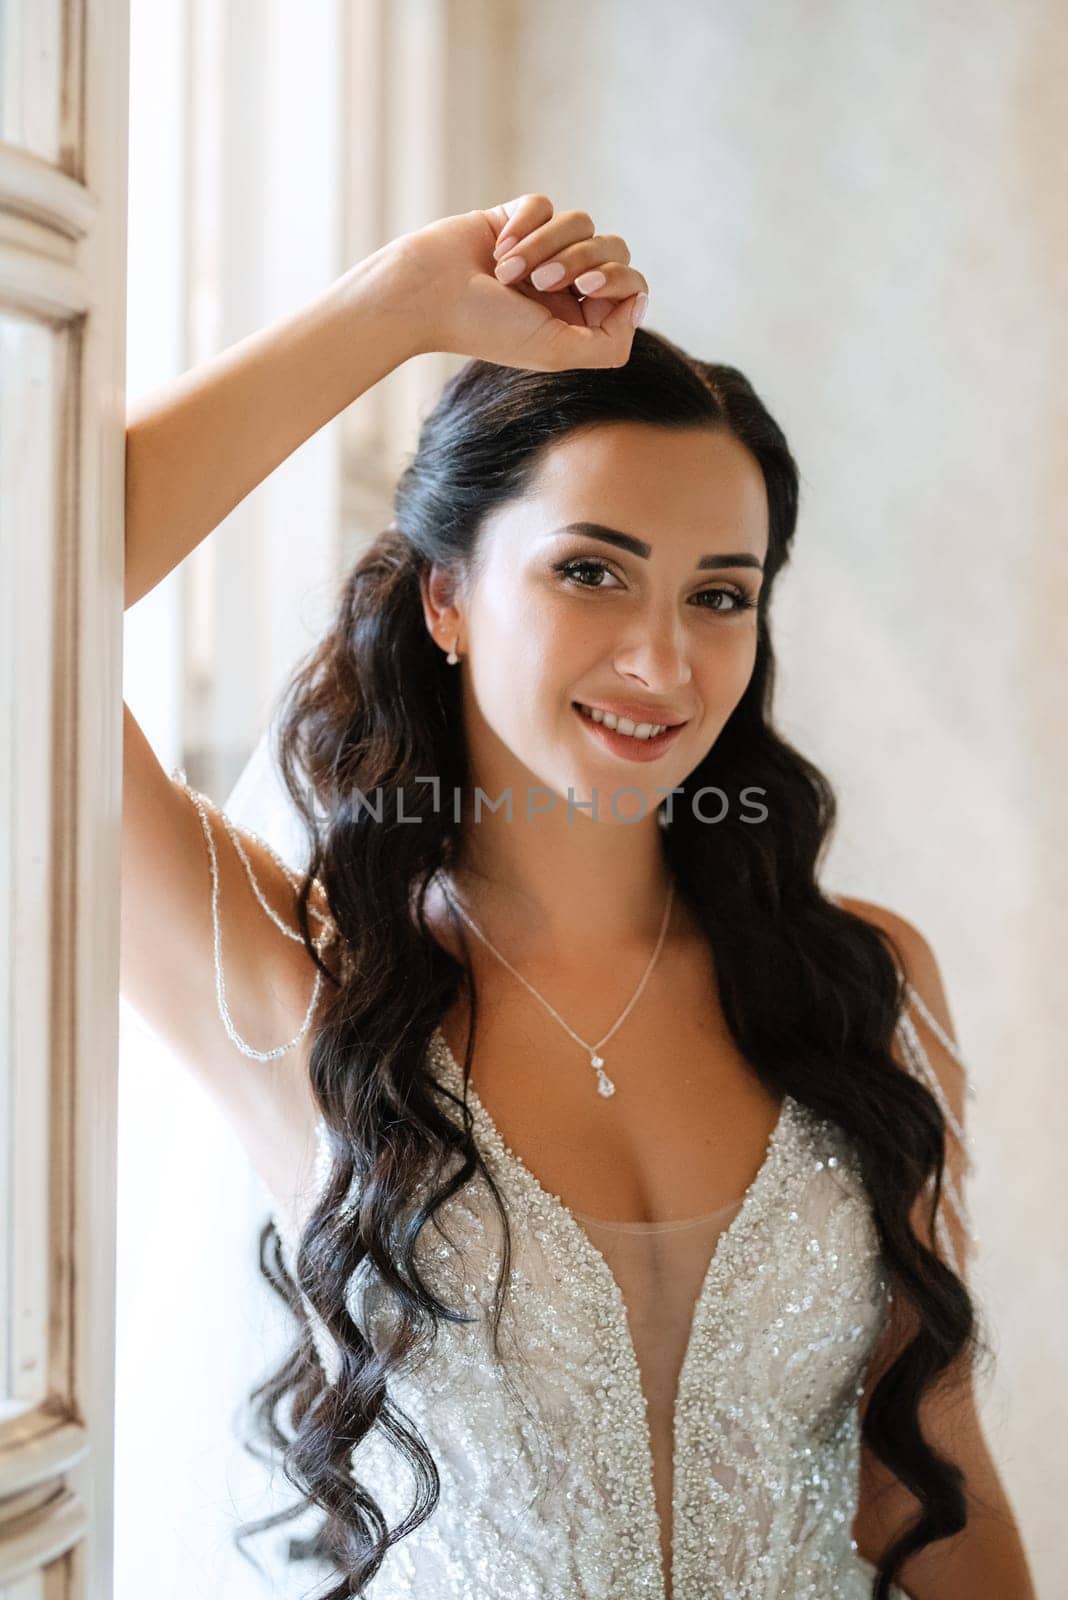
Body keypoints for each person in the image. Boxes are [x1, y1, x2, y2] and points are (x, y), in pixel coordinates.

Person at [121, 195, 1036, 1600]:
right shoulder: (293, 982)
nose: (664, 665)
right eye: (591, 572)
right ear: (446, 597)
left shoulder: (860, 985)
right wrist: (397, 305)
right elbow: (23, 576)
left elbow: (936, 1474)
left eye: (719, 595)